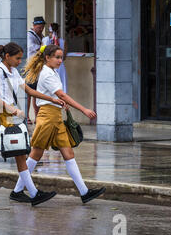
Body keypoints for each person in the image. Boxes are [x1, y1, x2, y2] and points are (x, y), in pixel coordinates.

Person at [0, 42, 66, 206]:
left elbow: (29, 90)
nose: (20, 61)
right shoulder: (0, 72)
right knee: (17, 152)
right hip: (1, 115)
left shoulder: (12, 72)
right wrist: (12, 109)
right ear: (7, 57)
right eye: (17, 58)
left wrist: (52, 99)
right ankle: (33, 193)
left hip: (9, 116)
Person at [12, 44, 106, 204]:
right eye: (57, 57)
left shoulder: (51, 72)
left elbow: (53, 96)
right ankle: (17, 190)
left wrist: (60, 104)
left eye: (61, 57)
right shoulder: (47, 74)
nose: (60, 60)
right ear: (47, 58)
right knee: (36, 154)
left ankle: (84, 192)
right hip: (48, 117)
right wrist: (84, 109)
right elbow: (61, 94)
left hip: (55, 116)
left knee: (68, 153)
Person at [26, 16, 46, 123]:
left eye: (42, 27)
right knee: (29, 93)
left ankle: (37, 115)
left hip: (39, 68)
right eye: (39, 27)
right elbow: (32, 48)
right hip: (31, 67)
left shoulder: (41, 36)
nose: (41, 29)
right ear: (34, 26)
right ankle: (27, 116)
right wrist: (43, 47)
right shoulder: (30, 35)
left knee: (36, 93)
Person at [43, 23, 68, 93]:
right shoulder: (63, 42)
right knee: (61, 85)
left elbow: (42, 53)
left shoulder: (45, 40)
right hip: (60, 66)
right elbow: (64, 57)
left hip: (48, 66)